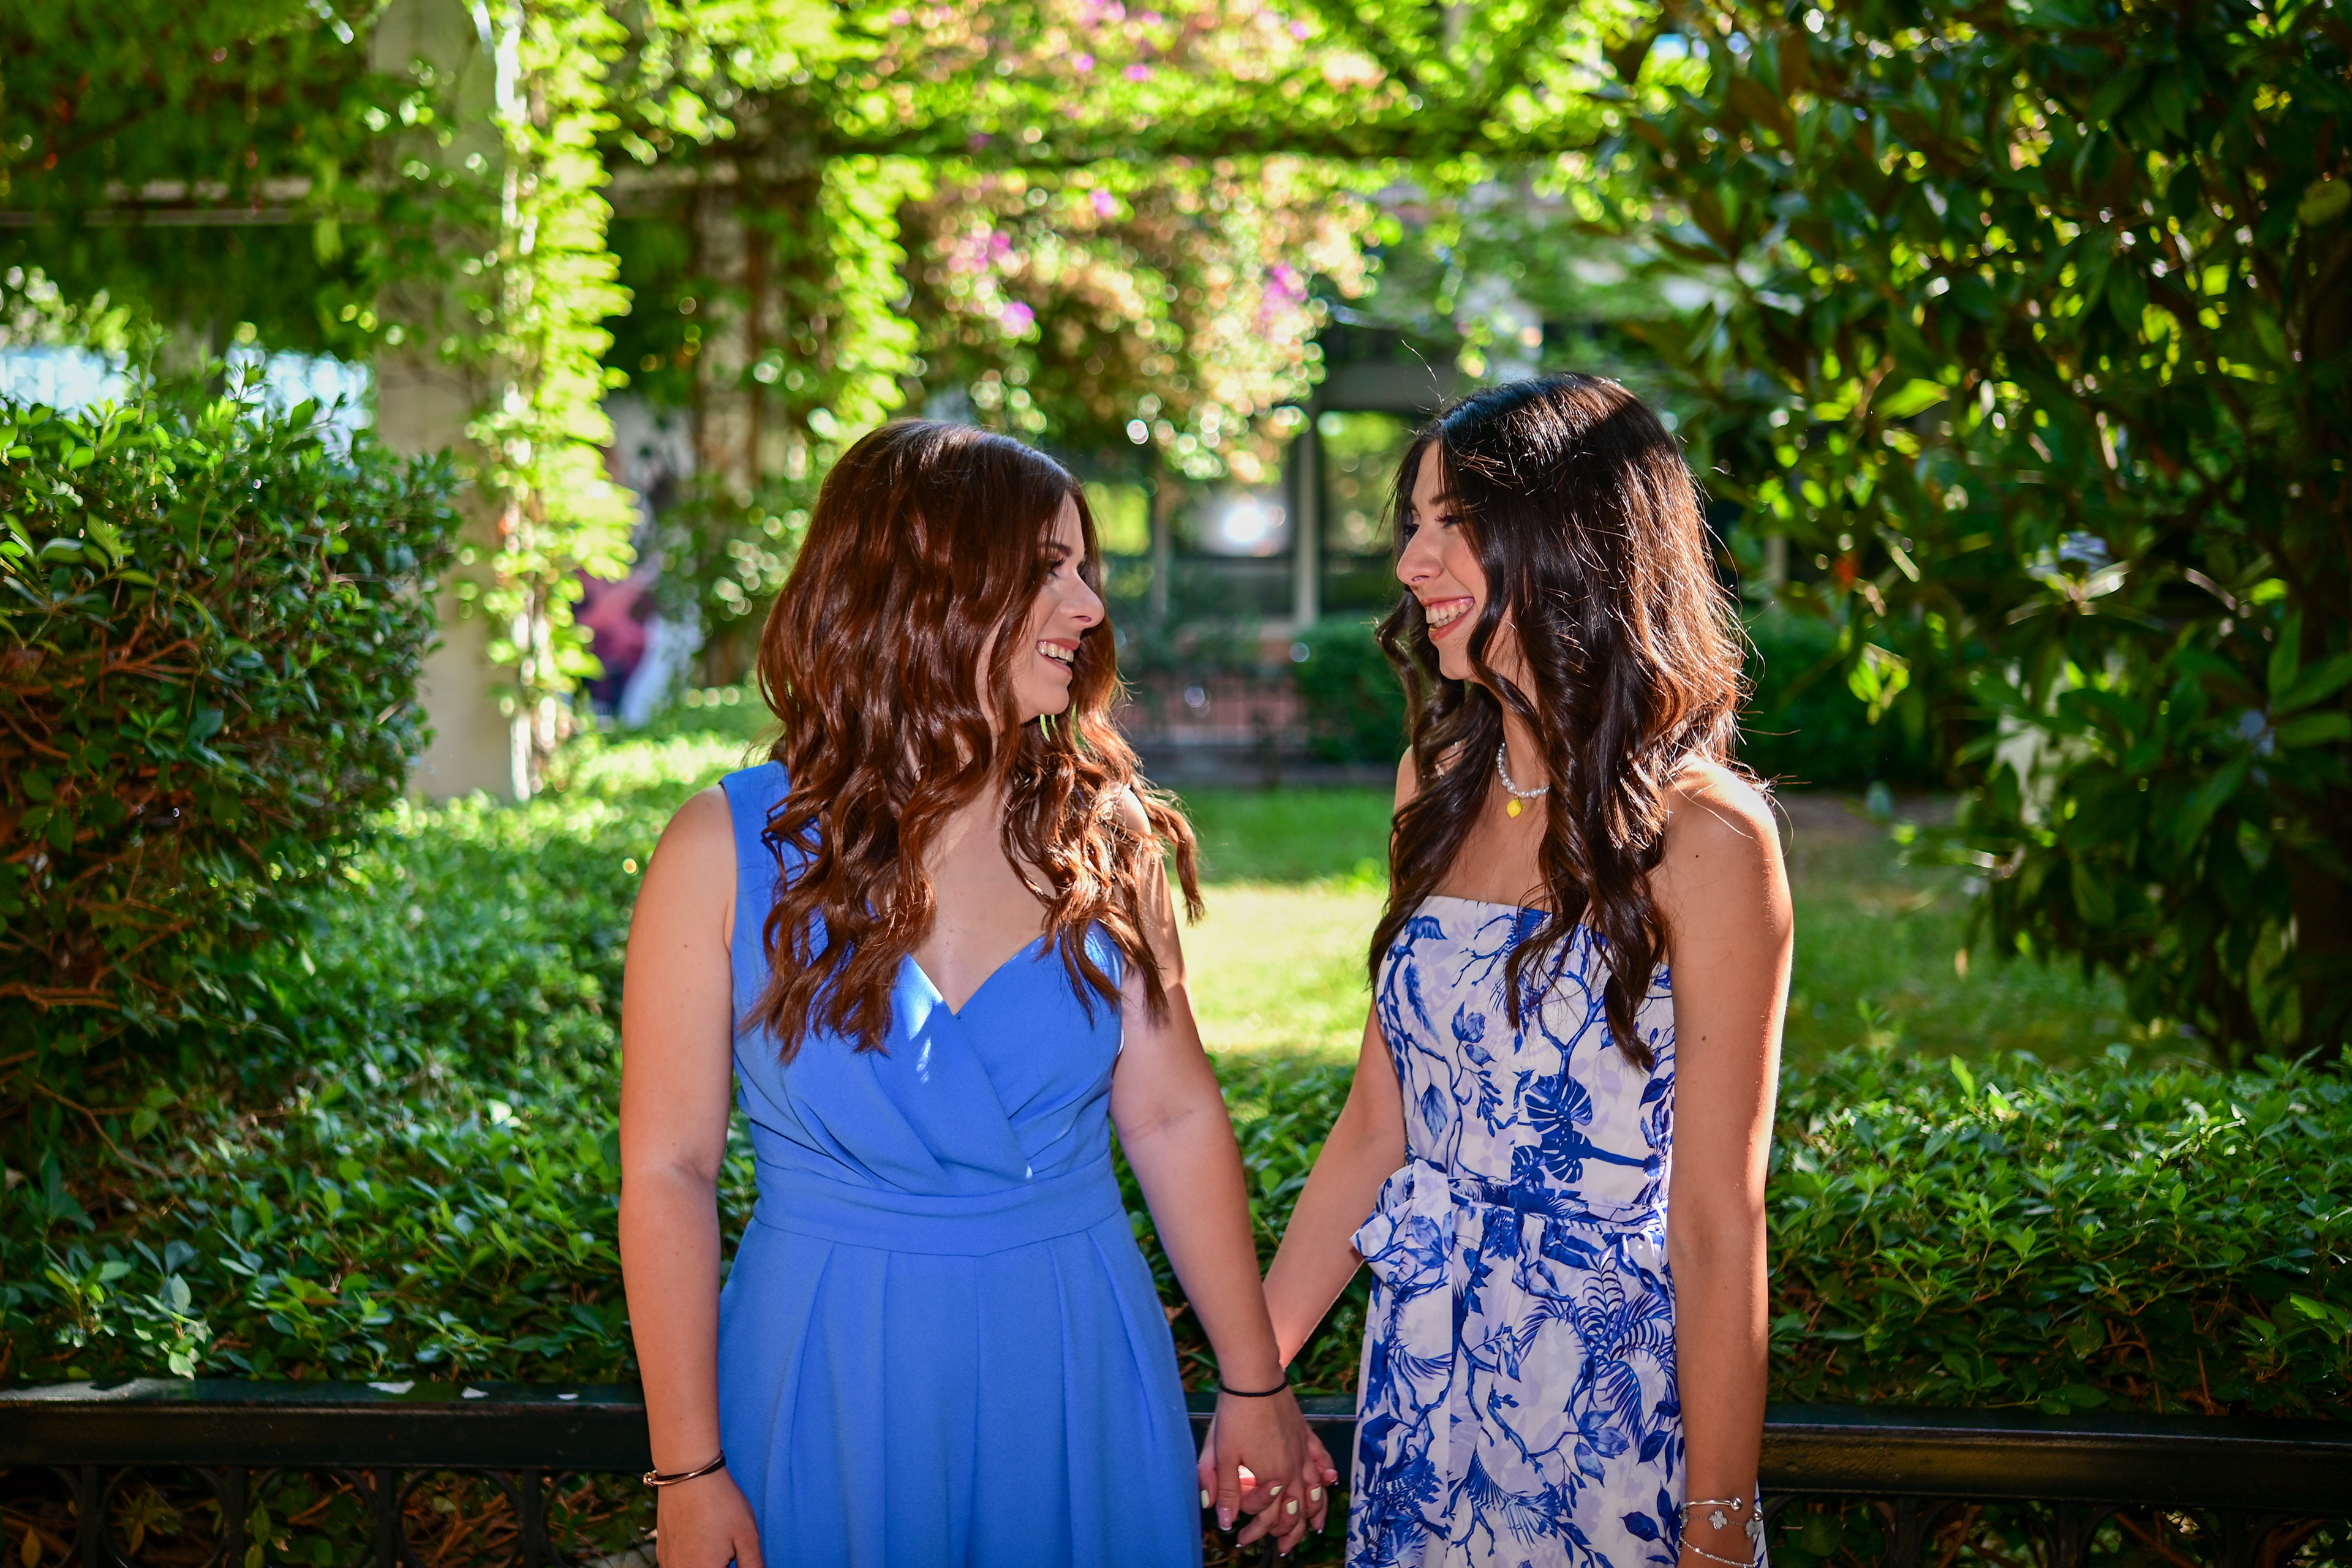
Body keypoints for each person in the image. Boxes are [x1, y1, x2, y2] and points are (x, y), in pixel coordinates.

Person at [617, 420, 1327, 1568]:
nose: (1087, 606)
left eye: (1085, 570)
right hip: (825, 1368)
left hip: (1075, 1359)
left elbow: (1172, 1115)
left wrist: (1254, 1383)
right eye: (1048, 569)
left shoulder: (1104, 840)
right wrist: (688, 1469)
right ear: (921, 584)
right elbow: (669, 1173)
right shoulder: (722, 848)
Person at [1251, 375, 1791, 1567]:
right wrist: (1252, 1377)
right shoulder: (1432, 787)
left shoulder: (1709, 835)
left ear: (1570, 538)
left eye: (1454, 523)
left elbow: (1717, 1220)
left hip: (1606, 1423)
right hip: (1424, 1394)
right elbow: (1376, 1129)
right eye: (1413, 525)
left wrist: (1715, 1530)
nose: (1412, 562)